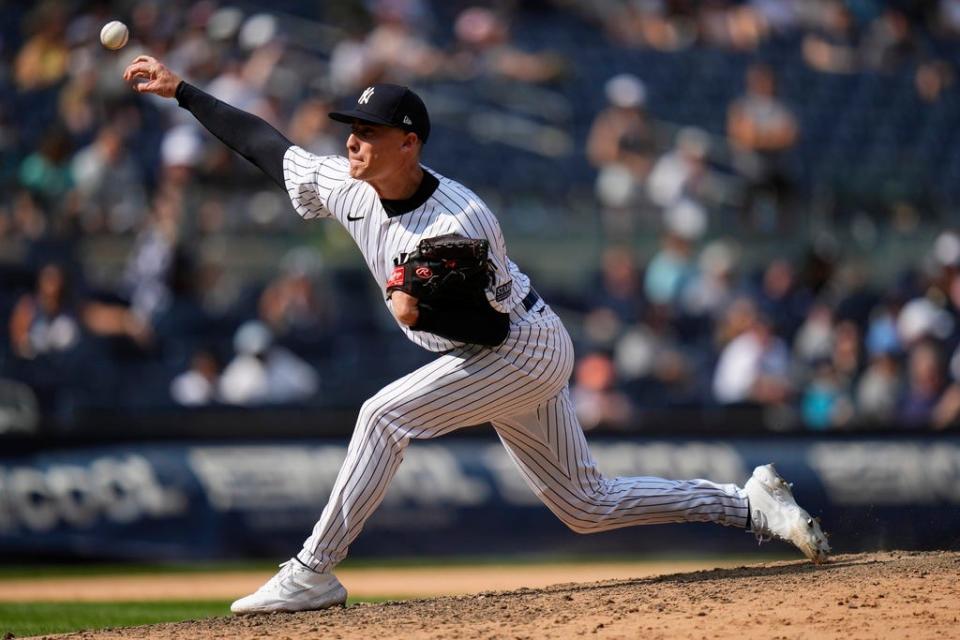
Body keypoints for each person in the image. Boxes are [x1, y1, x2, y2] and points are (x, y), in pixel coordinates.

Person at [122, 54, 830, 615]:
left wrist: (419, 309)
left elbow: (486, 325)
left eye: (366, 132)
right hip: (491, 349)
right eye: (350, 127)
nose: (351, 140)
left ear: (408, 142)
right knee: (586, 505)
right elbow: (264, 145)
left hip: (517, 346)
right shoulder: (345, 183)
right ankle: (749, 505)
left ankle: (312, 571)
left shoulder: (461, 219)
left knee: (383, 415)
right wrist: (182, 89)